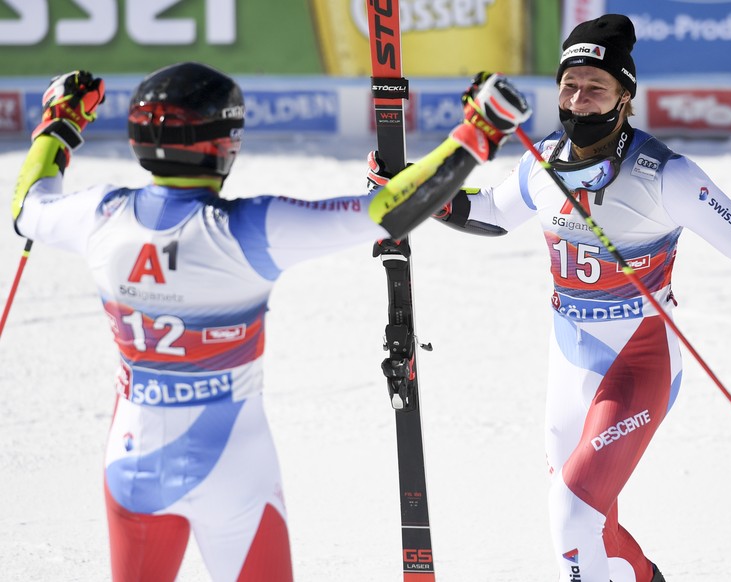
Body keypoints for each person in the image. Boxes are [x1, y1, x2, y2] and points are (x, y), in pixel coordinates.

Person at [368, 13, 731, 582]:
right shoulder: (543, 160)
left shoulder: (665, 176)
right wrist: (415, 186)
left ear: (626, 98)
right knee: (587, 522)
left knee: (571, 513)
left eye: (596, 88)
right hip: (568, 364)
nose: (579, 101)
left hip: (640, 364)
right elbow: (491, 214)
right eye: (569, 86)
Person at [10, 63, 530, 581]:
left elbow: (28, 205)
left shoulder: (98, 216)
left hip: (133, 461)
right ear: (225, 145)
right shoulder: (246, 229)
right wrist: (477, 133)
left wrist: (60, 122)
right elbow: (390, 210)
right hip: (233, 473)